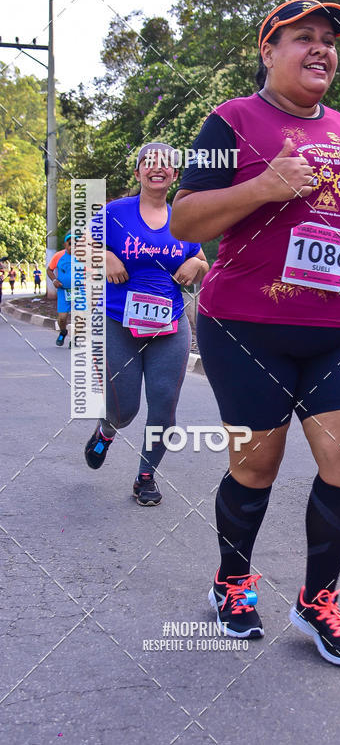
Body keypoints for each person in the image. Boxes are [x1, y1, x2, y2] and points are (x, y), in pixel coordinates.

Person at [171, 0, 340, 666]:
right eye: (304, 37)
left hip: (334, 327)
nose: (322, 48)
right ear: (269, 52)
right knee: (256, 464)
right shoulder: (232, 120)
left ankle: (317, 598)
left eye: (329, 39)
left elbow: (332, 212)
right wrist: (264, 186)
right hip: (247, 327)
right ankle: (231, 580)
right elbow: (185, 219)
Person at [83, 144, 209, 506]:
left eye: (166, 164)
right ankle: (106, 430)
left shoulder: (182, 216)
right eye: (149, 163)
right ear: (138, 172)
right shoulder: (115, 212)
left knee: (164, 408)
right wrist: (104, 255)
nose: (158, 168)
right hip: (118, 322)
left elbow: (201, 260)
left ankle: (146, 477)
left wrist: (197, 265)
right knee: (124, 410)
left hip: (169, 326)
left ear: (174, 174)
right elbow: (82, 248)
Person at [47, 237, 72, 345]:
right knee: (62, 318)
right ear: (65, 245)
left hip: (80, 291)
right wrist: (54, 280)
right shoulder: (58, 255)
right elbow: (49, 270)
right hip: (63, 291)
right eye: (70, 243)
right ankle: (63, 331)